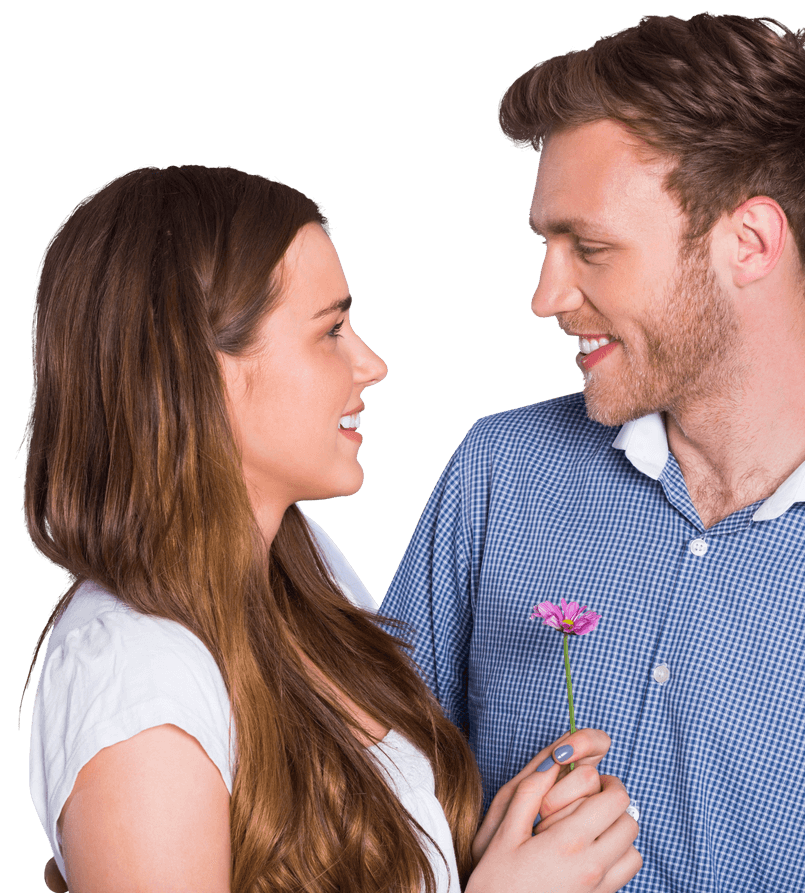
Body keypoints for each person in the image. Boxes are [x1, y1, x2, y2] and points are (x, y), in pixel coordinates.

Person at [381, 13, 805, 892]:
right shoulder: (497, 476)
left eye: (588, 248)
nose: (546, 296)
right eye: (546, 245)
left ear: (750, 243)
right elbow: (351, 817)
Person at [24, 165, 642, 893]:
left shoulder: (302, 562)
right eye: (331, 331)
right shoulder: (132, 676)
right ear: (197, 370)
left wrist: (488, 847)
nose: (371, 363)